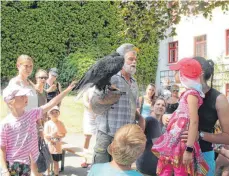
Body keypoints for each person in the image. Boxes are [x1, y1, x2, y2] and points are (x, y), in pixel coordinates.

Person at [0, 82, 75, 176]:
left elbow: (52, 103)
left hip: (27, 163)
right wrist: (5, 170)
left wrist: (67, 90)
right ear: (11, 101)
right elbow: (2, 149)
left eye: (25, 95)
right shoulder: (5, 124)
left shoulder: (32, 114)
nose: (26, 97)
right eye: (22, 96)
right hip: (13, 166)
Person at [152, 58, 209, 175]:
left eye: (176, 71)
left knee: (179, 170)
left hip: (181, 143)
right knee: (167, 168)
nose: (174, 74)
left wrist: (189, 149)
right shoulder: (187, 93)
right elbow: (184, 113)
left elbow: (193, 121)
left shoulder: (191, 95)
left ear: (184, 75)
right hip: (175, 141)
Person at [92, 43, 145, 164]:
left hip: (125, 139)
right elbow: (94, 105)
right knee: (101, 171)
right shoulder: (109, 78)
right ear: (121, 60)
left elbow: (130, 107)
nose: (134, 62)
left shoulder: (134, 82)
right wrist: (107, 99)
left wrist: (140, 118)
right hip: (107, 135)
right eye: (130, 59)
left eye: (135, 59)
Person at [180, 57, 229, 176]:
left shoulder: (219, 99)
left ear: (199, 74)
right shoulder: (187, 93)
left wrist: (200, 135)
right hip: (181, 152)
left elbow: (227, 137)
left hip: (204, 154)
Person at [7, 54, 41, 175]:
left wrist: (40, 125)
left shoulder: (29, 82)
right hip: (20, 127)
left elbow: (35, 107)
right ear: (18, 66)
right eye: (26, 66)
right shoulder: (14, 83)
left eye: (31, 66)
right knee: (20, 161)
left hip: (31, 124)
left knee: (33, 159)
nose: (29, 69)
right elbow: (9, 102)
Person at [136, 97, 166, 176]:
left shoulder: (160, 123)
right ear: (152, 106)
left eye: (163, 105)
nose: (160, 106)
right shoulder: (151, 120)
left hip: (150, 163)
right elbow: (159, 145)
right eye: (158, 104)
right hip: (148, 164)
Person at [44, 106, 67, 176]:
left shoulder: (61, 123)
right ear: (49, 114)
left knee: (56, 162)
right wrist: (51, 136)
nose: (54, 114)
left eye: (56, 112)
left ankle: (56, 174)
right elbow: (45, 135)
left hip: (57, 147)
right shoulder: (47, 123)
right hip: (49, 146)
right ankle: (47, 174)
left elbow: (63, 133)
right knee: (47, 162)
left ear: (59, 113)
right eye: (52, 112)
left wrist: (59, 136)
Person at [81, 86, 97, 168]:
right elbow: (85, 101)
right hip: (89, 114)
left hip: (99, 114)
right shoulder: (88, 88)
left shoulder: (102, 87)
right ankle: (84, 159)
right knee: (87, 137)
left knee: (99, 138)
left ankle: (96, 160)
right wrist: (91, 107)